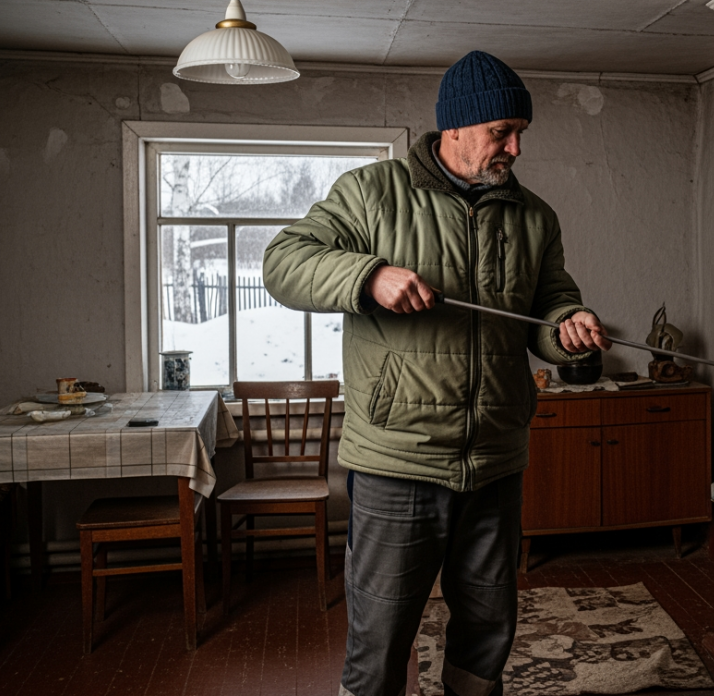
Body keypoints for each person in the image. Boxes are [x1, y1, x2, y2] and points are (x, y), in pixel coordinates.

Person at [262, 50, 611, 696]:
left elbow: (549, 306)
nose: (514, 148)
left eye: (520, 134)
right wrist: (368, 276)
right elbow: (283, 262)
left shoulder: (535, 217)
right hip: (398, 461)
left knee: (487, 632)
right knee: (382, 638)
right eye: (501, 132)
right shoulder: (372, 193)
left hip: (496, 464)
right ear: (454, 128)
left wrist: (571, 328)